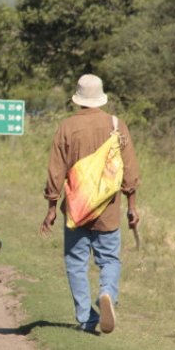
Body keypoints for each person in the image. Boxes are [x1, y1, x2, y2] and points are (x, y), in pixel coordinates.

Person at [40, 74, 141, 334]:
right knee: (109, 260)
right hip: (108, 207)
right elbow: (128, 169)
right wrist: (131, 204)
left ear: (78, 98)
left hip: (76, 207)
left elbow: (55, 169)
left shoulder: (67, 127)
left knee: (76, 261)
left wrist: (52, 205)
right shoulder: (116, 125)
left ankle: (87, 318)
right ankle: (106, 292)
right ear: (101, 96)